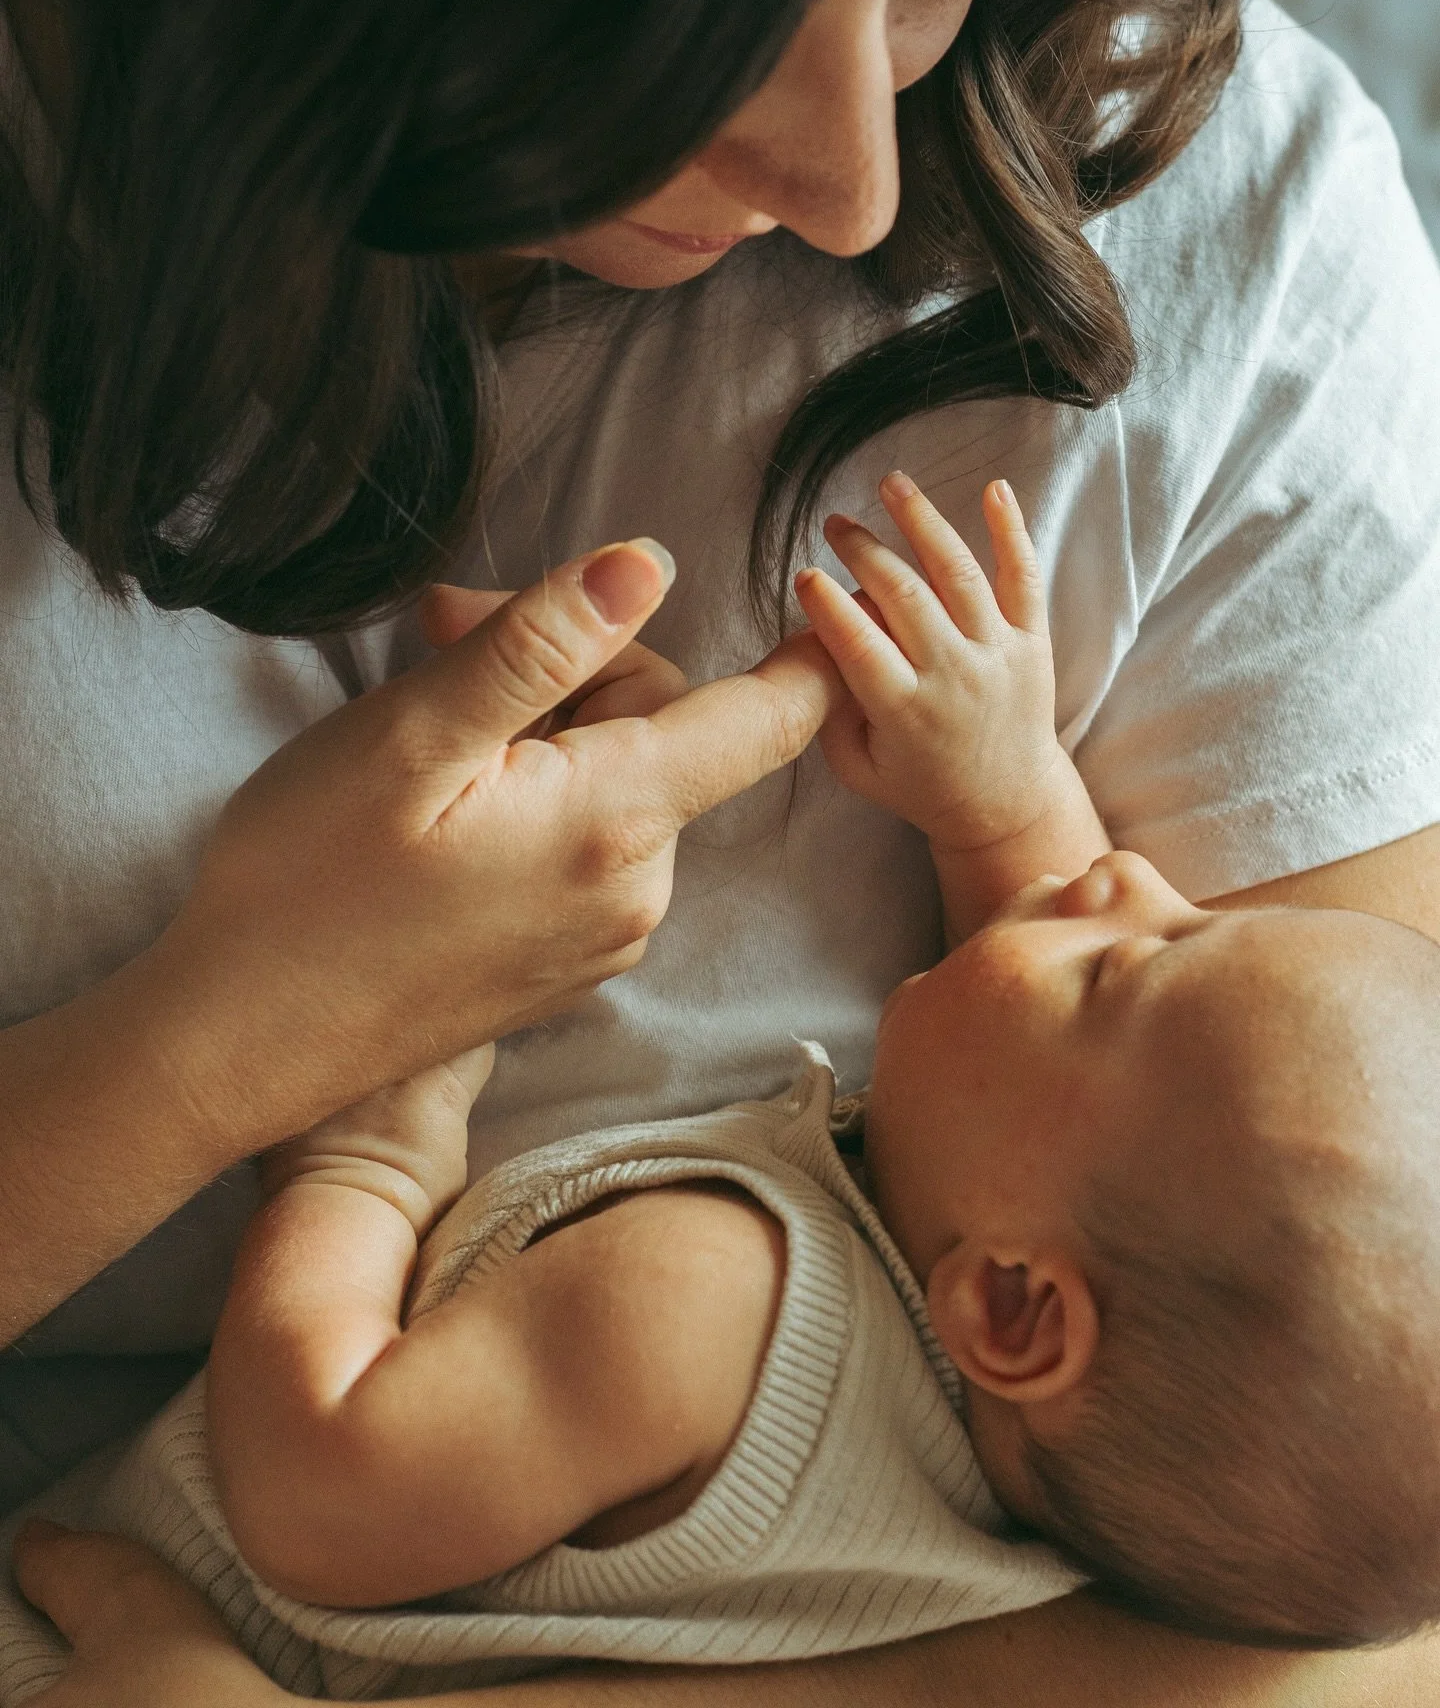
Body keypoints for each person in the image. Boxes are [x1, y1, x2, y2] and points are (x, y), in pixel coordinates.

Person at [3, 0, 1440, 1704]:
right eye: (693, 26)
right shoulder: (1025, 1334)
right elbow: (1092, 1068)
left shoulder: (717, 1301)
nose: (853, 183)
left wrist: (373, 1108)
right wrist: (219, 1034)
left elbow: (1364, 1584)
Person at [7, 482, 1433, 1701]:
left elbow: (320, 1482)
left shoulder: (703, 1307)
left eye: (1131, 967)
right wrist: (999, 797)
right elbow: (1049, 1088)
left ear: (1010, 1309)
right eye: (1194, 912)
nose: (1123, 877)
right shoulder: (1065, 1466)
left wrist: (365, 1155)